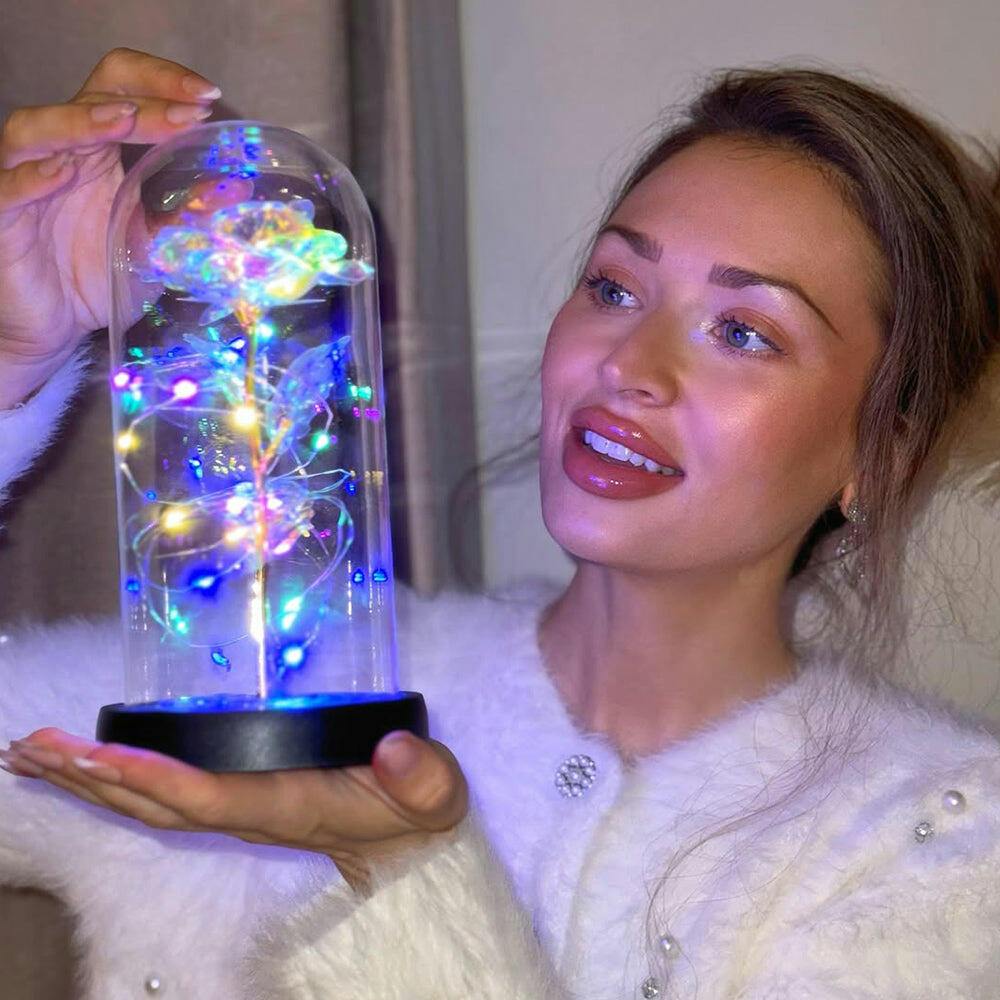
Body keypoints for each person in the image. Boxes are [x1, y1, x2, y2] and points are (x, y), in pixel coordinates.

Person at [1, 46, 1000, 1000]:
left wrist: (399, 866)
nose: (630, 364)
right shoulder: (261, 671)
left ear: (883, 453)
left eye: (742, 331)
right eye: (614, 288)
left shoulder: (940, 848)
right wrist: (10, 355)